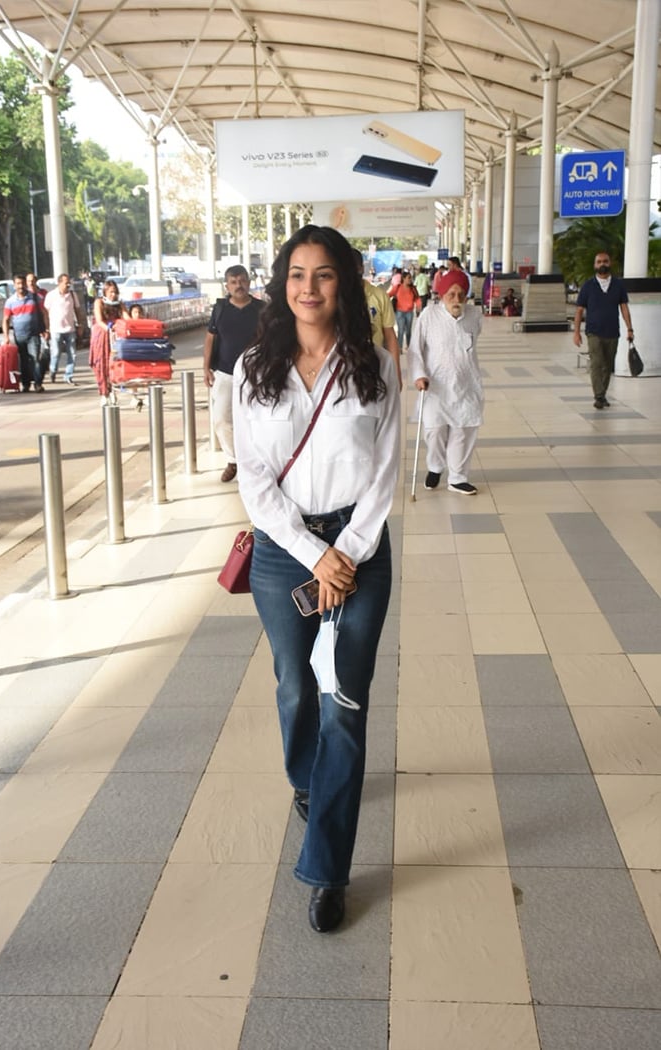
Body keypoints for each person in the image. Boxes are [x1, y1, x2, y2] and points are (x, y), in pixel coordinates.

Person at [232, 224, 400, 933]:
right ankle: (307, 777)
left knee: (345, 703)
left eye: (324, 274)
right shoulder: (253, 367)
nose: (309, 287)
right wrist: (312, 554)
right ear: (282, 283)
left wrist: (348, 552)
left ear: (345, 283)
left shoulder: (379, 364)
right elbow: (255, 479)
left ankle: (327, 869)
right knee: (296, 683)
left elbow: (388, 472)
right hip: (283, 551)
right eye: (297, 274)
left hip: (361, 551)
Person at [408, 267, 484, 495]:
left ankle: (458, 477)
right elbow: (415, 349)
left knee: (464, 431)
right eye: (451, 294)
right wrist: (419, 374)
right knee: (435, 431)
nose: (457, 299)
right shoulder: (428, 316)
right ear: (441, 295)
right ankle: (434, 467)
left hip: (466, 384)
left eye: (461, 294)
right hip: (435, 386)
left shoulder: (474, 315)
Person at [203, 265, 264, 482]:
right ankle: (233, 459)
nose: (239, 285)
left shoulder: (261, 309)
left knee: (256, 418)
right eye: (234, 282)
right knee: (221, 418)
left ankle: (256, 461)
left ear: (249, 282)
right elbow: (210, 338)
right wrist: (206, 367)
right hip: (225, 372)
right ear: (227, 286)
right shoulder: (220, 309)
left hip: (256, 373)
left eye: (242, 280)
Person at [573, 251, 634, 409]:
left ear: (610, 263)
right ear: (595, 265)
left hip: (613, 331)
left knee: (608, 365)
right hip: (594, 332)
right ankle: (598, 396)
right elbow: (579, 310)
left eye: (605, 261)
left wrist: (630, 329)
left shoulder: (618, 285)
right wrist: (576, 332)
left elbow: (624, 307)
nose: (602, 264)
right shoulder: (588, 286)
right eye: (599, 262)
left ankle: (602, 394)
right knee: (596, 363)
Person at [352, 248, 401, 389]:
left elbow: (390, 337)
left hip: (375, 368)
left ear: (361, 269)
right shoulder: (333, 298)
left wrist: (396, 374)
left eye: (352, 268)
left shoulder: (379, 296)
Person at [2, 273, 49, 393]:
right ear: (14, 285)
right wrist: (6, 337)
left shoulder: (35, 298)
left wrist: (47, 329)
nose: (21, 286)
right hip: (19, 336)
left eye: (22, 283)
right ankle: (26, 384)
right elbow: (6, 320)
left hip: (33, 334)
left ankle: (38, 384)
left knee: (35, 360)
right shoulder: (10, 301)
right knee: (23, 361)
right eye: (18, 283)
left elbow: (44, 313)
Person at [89, 278, 129, 404]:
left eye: (115, 292)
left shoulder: (119, 303)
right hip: (102, 335)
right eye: (111, 292)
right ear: (105, 292)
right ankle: (104, 393)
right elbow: (99, 320)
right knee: (102, 365)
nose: (113, 295)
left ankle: (112, 390)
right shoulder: (99, 302)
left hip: (115, 336)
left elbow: (126, 316)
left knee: (114, 364)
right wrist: (109, 328)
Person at [44, 273, 82, 385]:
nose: (68, 284)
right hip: (56, 329)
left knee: (72, 354)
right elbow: (45, 313)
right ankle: (53, 371)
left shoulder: (72, 295)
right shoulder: (51, 295)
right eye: (66, 282)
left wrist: (80, 325)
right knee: (56, 353)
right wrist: (47, 328)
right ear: (59, 283)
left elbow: (77, 310)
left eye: (69, 282)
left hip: (70, 329)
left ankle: (68, 375)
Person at [389, 270, 421, 351]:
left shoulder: (413, 289)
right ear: (403, 278)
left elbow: (417, 299)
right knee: (400, 330)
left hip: (409, 312)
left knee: (408, 331)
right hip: (399, 312)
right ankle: (399, 347)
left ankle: (409, 346)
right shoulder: (397, 287)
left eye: (411, 278)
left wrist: (418, 307)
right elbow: (388, 294)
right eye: (409, 278)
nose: (410, 280)